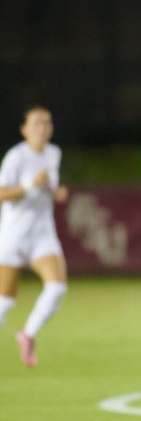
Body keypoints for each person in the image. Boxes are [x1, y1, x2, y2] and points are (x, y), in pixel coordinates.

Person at [0, 105, 69, 367]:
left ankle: (27, 335)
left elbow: (47, 188)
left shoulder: (54, 153)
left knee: (57, 288)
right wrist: (29, 184)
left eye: (47, 123)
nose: (43, 128)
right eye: (37, 123)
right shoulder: (16, 157)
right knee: (4, 301)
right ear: (24, 129)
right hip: (14, 235)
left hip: (42, 233)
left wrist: (56, 192)